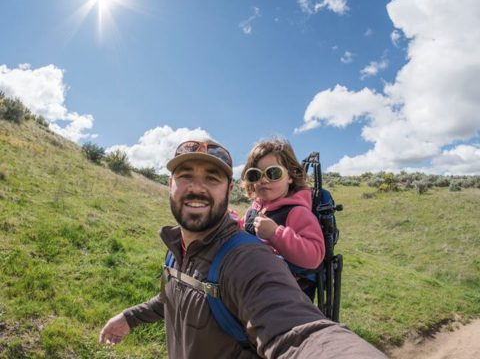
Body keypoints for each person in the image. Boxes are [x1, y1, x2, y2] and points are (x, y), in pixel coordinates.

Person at [99, 139, 386, 359]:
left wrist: (277, 234)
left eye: (212, 178)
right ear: (169, 184)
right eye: (186, 175)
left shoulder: (249, 257)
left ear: (227, 190)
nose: (197, 187)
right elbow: (177, 295)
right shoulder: (177, 249)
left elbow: (298, 334)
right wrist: (130, 317)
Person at [239, 138, 324, 300]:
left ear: (291, 176)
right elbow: (241, 231)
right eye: (255, 175)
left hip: (285, 297)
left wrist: (276, 234)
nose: (263, 180)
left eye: (273, 173)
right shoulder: (253, 210)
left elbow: (314, 257)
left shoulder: (296, 212)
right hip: (251, 289)